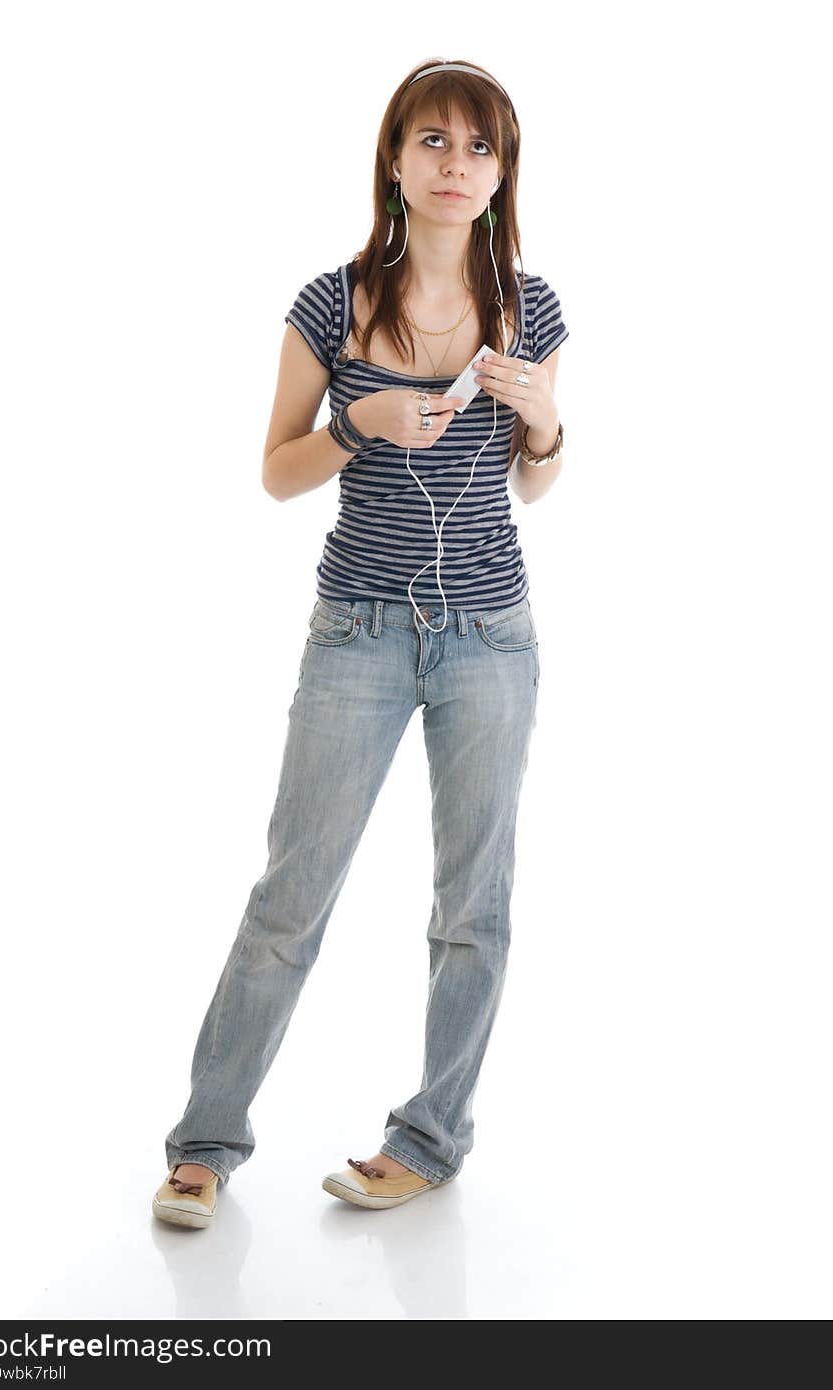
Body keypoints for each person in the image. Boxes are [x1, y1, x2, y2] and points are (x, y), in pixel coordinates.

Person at [153, 56, 569, 1229]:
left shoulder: (530, 308)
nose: (456, 165)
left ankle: (429, 1141)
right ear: (394, 160)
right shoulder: (330, 304)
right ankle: (204, 1145)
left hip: (491, 636)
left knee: (472, 908)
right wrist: (358, 422)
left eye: (479, 147)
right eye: (432, 142)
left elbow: (536, 486)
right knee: (292, 896)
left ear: (503, 172)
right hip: (358, 634)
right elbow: (276, 472)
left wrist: (542, 419)